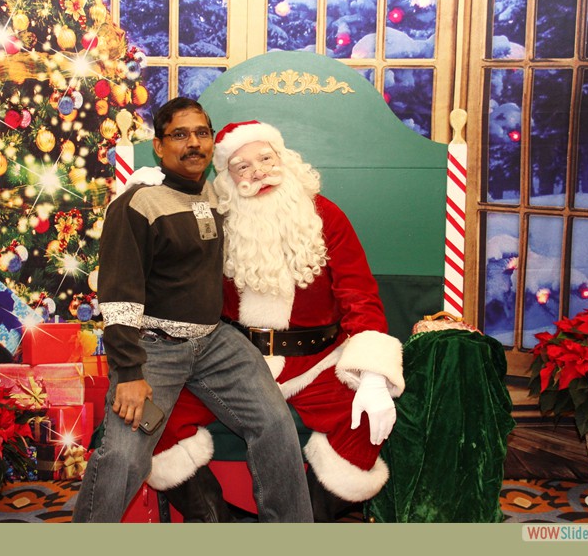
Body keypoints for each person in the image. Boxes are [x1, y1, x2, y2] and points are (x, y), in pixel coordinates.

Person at [142, 120, 405, 522]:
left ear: (285, 160)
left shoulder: (326, 216)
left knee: (365, 419)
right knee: (151, 416)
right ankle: (217, 524)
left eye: (265, 158)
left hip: (316, 361)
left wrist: (371, 376)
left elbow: (359, 295)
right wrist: (154, 195)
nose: (258, 172)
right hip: (233, 361)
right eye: (242, 167)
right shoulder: (215, 219)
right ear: (226, 180)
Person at [71, 100, 313, 523]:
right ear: (159, 147)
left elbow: (275, 202)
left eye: (201, 133)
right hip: (153, 347)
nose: (193, 143)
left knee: (276, 425)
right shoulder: (136, 206)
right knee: (124, 456)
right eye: (180, 135)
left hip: (215, 341)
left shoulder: (220, 194)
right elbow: (119, 297)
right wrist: (128, 374)